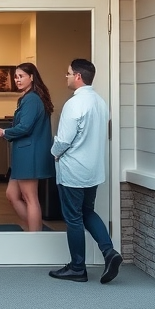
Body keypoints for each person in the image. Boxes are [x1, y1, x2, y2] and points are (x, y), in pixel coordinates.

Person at [47, 58, 122, 284]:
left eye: (68, 73)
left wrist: (54, 152)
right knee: (87, 211)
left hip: (73, 171)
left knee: (73, 218)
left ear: (78, 76)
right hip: (93, 170)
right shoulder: (100, 102)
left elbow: (64, 140)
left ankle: (77, 267)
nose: (67, 77)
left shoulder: (74, 104)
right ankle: (109, 252)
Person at [0, 62, 54, 231]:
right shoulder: (28, 98)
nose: (17, 80)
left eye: (21, 76)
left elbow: (25, 127)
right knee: (12, 195)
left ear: (31, 77)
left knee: (30, 197)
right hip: (24, 155)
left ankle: (35, 236)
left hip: (29, 155)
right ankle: (35, 228)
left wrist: (3, 133)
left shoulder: (32, 99)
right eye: (16, 77)